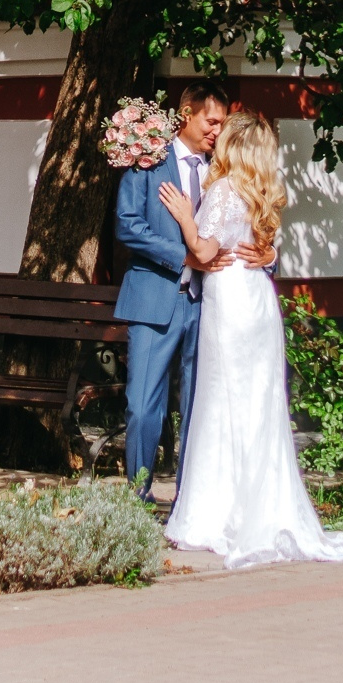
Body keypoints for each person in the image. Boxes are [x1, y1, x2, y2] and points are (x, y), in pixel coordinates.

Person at [157, 110, 343, 568]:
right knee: (258, 404)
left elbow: (205, 250)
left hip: (229, 304)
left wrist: (185, 218)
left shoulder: (222, 190)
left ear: (233, 145)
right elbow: (261, 249)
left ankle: (217, 515)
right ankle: (260, 507)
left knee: (222, 401)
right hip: (257, 301)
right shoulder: (262, 192)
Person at [112, 81, 234, 499]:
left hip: (207, 304)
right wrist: (184, 256)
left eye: (222, 123)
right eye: (211, 121)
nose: (217, 130)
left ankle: (190, 501)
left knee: (201, 406)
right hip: (154, 299)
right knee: (142, 405)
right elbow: (128, 225)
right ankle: (138, 498)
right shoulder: (148, 160)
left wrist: (267, 253)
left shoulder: (223, 169)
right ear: (186, 114)